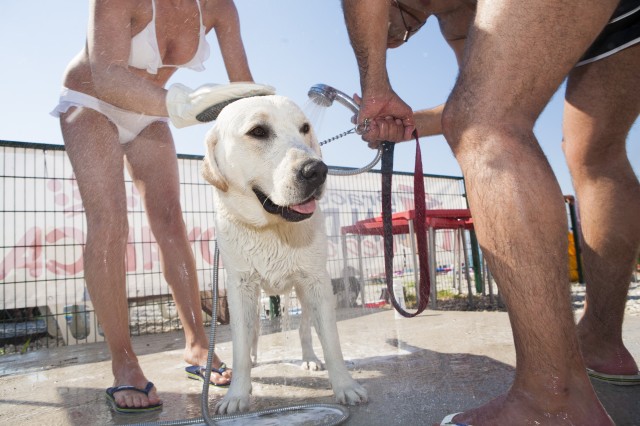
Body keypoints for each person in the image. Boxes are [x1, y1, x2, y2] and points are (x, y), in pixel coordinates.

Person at [342, 0, 640, 424]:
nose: (396, 40)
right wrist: (406, 123)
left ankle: (553, 401)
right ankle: (601, 344)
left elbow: (485, 116)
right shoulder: (458, 20)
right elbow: (501, 96)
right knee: (596, 157)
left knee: (486, 122)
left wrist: (374, 86)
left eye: (396, 28)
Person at [51, 0, 273, 413]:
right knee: (111, 221)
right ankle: (124, 363)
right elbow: (106, 75)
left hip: (150, 112)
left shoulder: (221, 9)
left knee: (171, 220)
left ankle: (197, 348)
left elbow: (245, 91)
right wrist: (180, 105)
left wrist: (272, 142)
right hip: (93, 97)